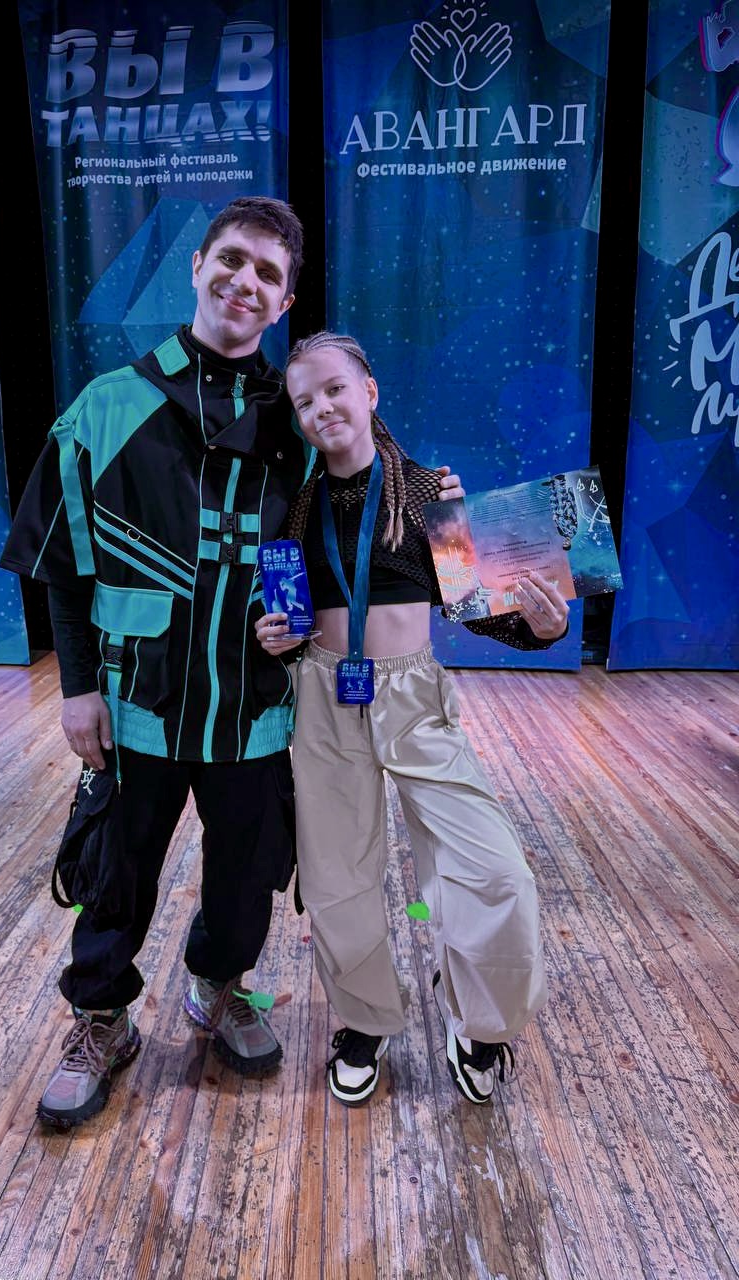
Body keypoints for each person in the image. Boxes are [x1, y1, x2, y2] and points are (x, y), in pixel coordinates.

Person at [0, 199, 465, 1130]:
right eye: (233, 260)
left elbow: (365, 496)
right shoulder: (106, 406)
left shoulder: (297, 419)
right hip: (139, 701)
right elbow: (62, 564)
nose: (246, 282)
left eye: (268, 274)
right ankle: (101, 1020)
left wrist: (436, 497)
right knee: (116, 871)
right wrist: (79, 689)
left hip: (256, 707)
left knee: (247, 875)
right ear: (199, 265)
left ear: (284, 301)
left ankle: (219, 986)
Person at [256, 331, 568, 1107]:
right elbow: (280, 620)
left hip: (413, 697)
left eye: (334, 389)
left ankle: (481, 1024)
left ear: (369, 392)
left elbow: (477, 606)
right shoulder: (291, 508)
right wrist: (274, 639)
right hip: (324, 700)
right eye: (304, 401)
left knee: (495, 872)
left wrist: (543, 627)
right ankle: (364, 1022)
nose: (321, 409)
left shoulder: (430, 492)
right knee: (337, 879)